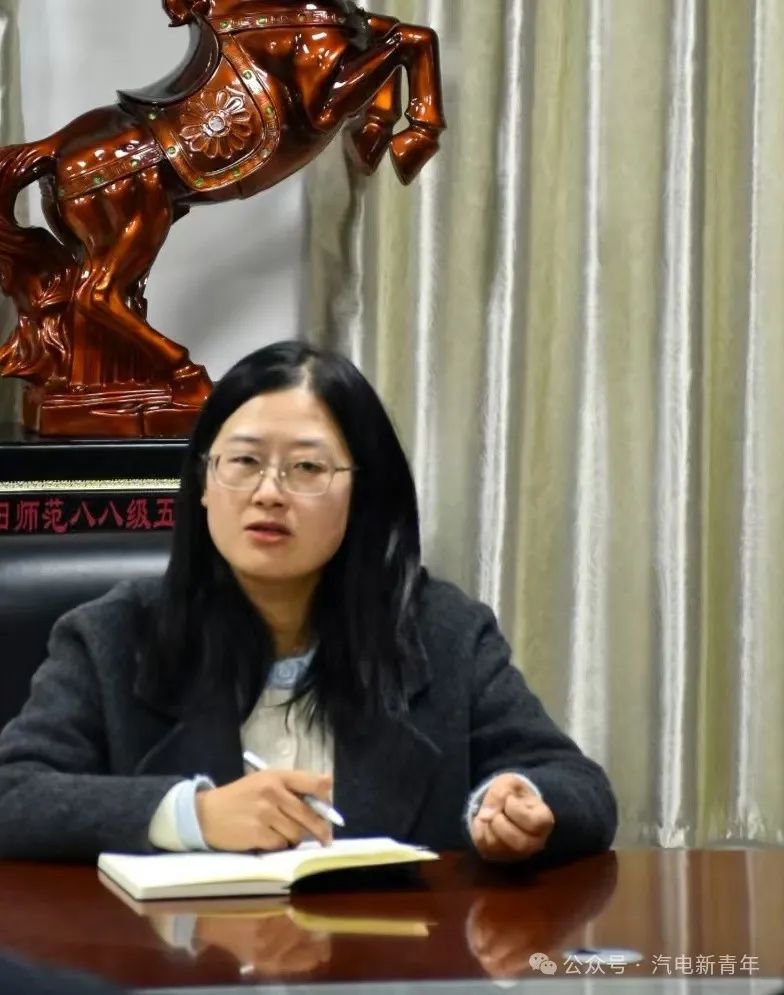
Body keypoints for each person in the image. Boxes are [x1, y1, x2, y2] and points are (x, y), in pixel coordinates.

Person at [0, 341, 617, 863]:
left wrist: (517, 803)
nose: (269, 492)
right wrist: (193, 816)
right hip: (179, 955)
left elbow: (579, 787)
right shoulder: (112, 635)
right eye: (244, 461)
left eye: (306, 468)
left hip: (385, 956)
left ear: (362, 494)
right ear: (204, 483)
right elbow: (13, 794)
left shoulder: (442, 633)